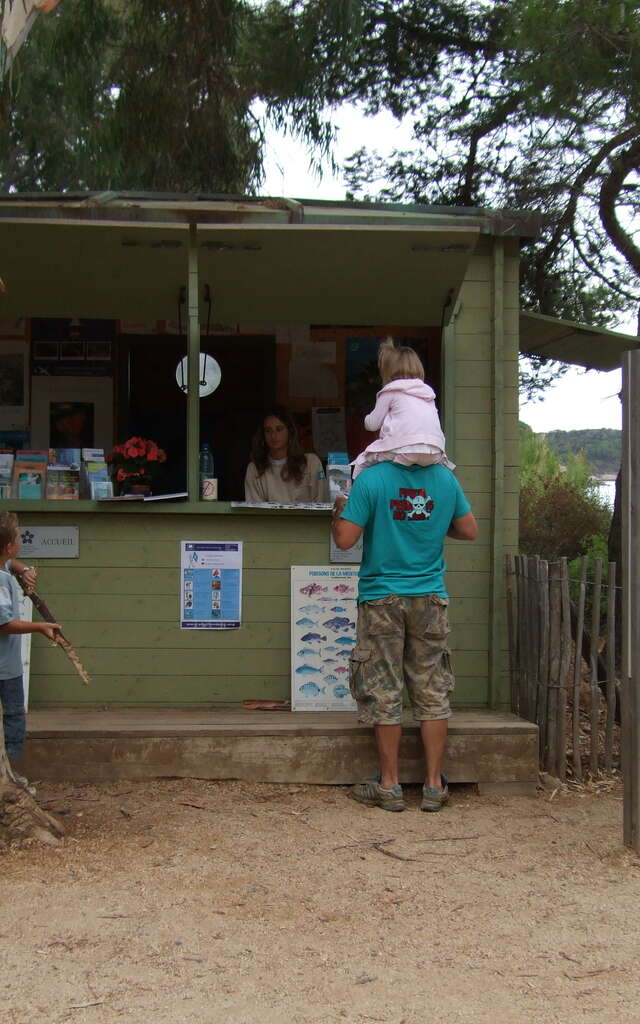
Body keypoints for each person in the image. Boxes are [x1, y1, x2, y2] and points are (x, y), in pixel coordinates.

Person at [331, 460, 477, 812]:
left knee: (383, 688)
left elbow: (346, 539)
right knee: (431, 688)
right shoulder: (444, 477)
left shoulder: (371, 479)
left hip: (381, 595)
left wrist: (339, 509)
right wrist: (434, 527)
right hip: (430, 596)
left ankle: (389, 786)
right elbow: (469, 530)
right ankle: (432, 787)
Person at [0, 512, 60, 794]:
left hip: (6, 665)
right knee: (14, 715)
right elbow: (5, 624)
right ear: (10, 546)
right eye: (17, 538)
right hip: (4, 668)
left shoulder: (6, 568)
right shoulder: (0, 582)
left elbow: (10, 563)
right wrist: (40, 626)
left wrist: (22, 570)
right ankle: (8, 775)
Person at [352, 337, 454, 479]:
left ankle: (356, 492)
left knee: (363, 462)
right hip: (434, 451)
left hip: (404, 448)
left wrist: (365, 417)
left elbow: (372, 424)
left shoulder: (391, 390)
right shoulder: (427, 393)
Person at [244, 406, 327, 503]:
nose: (274, 436)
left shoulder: (311, 463)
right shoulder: (254, 469)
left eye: (279, 429)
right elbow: (254, 511)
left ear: (290, 431)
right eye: (268, 431)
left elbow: (322, 502)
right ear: (263, 435)